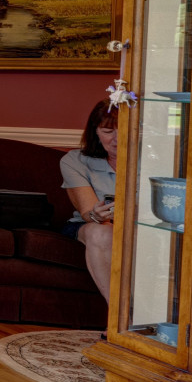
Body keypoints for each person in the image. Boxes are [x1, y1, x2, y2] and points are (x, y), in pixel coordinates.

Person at [60, 100, 121, 298]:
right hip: (91, 225)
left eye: (125, 130)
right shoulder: (74, 161)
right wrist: (97, 214)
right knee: (102, 232)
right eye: (107, 131)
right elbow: (88, 212)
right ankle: (118, 320)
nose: (117, 140)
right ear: (95, 131)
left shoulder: (157, 160)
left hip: (139, 228)